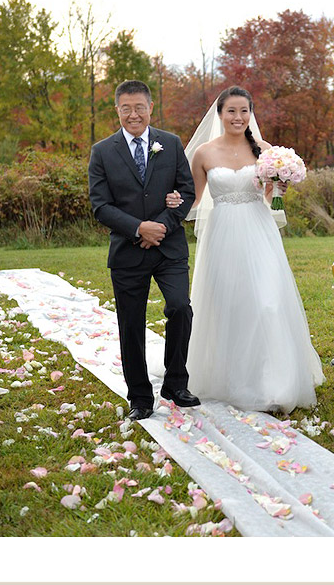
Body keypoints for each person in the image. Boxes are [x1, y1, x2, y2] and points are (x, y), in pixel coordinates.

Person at [179, 86, 324, 413]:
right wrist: (170, 205)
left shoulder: (266, 150)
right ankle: (233, 378)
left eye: (244, 111)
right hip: (223, 232)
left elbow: (269, 194)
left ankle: (276, 383)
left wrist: (279, 187)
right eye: (231, 111)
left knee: (268, 301)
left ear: (251, 113)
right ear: (220, 114)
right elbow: (194, 200)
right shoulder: (203, 153)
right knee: (231, 304)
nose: (238, 117)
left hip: (259, 230)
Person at [88, 80, 198, 420]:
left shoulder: (171, 143)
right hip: (127, 251)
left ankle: (176, 382)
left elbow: (187, 191)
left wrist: (161, 225)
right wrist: (138, 228)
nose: (133, 114)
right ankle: (140, 398)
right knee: (131, 325)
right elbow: (100, 205)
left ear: (150, 108)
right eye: (126, 108)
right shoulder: (102, 151)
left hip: (169, 247)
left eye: (139, 107)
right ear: (117, 110)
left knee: (180, 308)